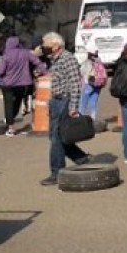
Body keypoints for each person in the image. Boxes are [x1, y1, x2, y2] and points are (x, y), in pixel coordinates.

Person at [39, 32, 90, 186]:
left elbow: (75, 84)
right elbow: (56, 83)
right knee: (59, 137)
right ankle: (82, 158)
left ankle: (57, 172)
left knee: (56, 138)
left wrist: (73, 107)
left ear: (56, 46)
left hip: (65, 101)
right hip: (56, 101)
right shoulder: (54, 60)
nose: (44, 48)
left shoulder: (68, 59)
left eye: (47, 45)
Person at [0, 36, 46, 137]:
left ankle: (11, 127)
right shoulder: (26, 53)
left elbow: (0, 71)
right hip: (22, 84)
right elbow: (38, 63)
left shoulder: (6, 55)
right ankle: (11, 119)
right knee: (17, 102)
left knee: (8, 104)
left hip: (7, 84)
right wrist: (45, 72)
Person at [79, 41, 106, 118]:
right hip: (98, 84)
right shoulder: (99, 59)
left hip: (88, 83)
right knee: (93, 103)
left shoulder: (87, 61)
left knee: (83, 104)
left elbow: (82, 71)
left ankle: (80, 121)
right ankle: (93, 119)